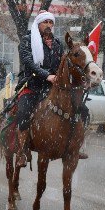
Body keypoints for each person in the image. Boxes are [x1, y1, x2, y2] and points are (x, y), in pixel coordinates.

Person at [16, 11, 89, 167]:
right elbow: (29, 63)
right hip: (32, 84)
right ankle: (22, 150)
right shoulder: (27, 40)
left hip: (52, 87)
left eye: (51, 22)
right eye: (46, 22)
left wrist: (76, 80)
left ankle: (76, 146)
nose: (49, 25)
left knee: (82, 109)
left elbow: (63, 66)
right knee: (24, 111)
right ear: (38, 24)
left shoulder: (57, 43)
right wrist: (46, 75)